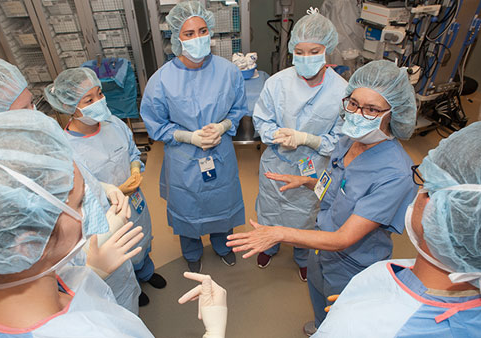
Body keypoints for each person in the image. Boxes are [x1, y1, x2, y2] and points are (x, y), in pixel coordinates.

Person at [0, 110, 230, 338]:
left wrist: (92, 272)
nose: (96, 208)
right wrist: (214, 333)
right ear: (26, 242)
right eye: (82, 202)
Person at [0, 57, 141, 314]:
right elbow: (21, 289)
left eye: (32, 102)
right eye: (24, 109)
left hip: (105, 267)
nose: (36, 114)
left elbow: (81, 179)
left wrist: (104, 188)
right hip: (67, 297)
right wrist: (91, 274)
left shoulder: (40, 144)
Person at [227, 60, 418, 335]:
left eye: (372, 109)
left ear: (393, 113)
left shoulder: (394, 173)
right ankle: (319, 326)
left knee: (343, 319)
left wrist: (279, 233)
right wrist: (307, 181)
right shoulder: (350, 140)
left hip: (352, 264)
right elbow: (337, 189)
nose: (357, 113)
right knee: (318, 297)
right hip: (320, 247)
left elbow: (344, 239)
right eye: (352, 103)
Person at [315, 119, 481, 337]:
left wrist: (351, 319)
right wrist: (364, 301)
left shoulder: (358, 327)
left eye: (426, 184)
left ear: (435, 208)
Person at [44, 67, 166, 306]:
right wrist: (109, 191)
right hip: (105, 214)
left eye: (99, 94)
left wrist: (134, 167)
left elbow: (131, 149)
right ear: (70, 107)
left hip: (135, 200)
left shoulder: (114, 123)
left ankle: (146, 272)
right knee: (119, 250)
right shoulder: (66, 148)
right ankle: (134, 284)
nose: (99, 102)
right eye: (89, 100)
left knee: (143, 238)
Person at [140, 1, 247, 273]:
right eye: (189, 34)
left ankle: (223, 245)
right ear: (177, 38)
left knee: (221, 200)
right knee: (188, 205)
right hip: (183, 157)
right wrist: (188, 136)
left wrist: (222, 127)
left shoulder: (228, 72)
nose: (197, 38)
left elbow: (237, 109)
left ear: (210, 32)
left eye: (202, 30)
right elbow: (155, 123)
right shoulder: (161, 80)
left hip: (219, 152)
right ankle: (191, 251)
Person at [252, 9, 347, 280]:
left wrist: (307, 139)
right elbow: (262, 120)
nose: (306, 58)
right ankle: (268, 246)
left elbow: (341, 139)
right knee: (270, 206)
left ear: (327, 49)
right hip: (276, 161)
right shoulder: (276, 83)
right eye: (300, 52)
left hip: (314, 167)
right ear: (292, 49)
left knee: (308, 211)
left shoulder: (341, 91)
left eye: (314, 51)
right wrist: (275, 134)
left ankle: (302, 254)